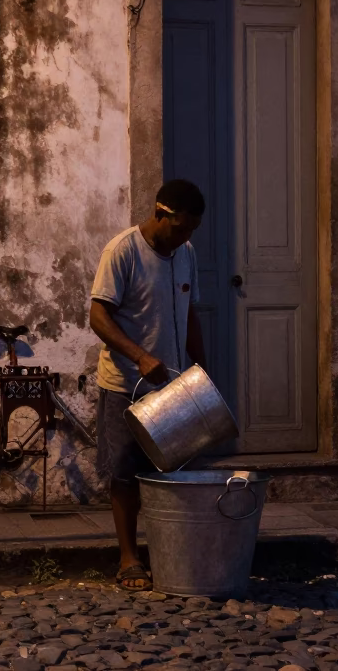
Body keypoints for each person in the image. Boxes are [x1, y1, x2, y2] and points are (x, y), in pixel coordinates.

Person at [89, 179, 208, 591]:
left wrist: (201, 369)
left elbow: (190, 312)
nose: (185, 236)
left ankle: (167, 551)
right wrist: (139, 356)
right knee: (124, 474)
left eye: (192, 230)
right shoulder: (122, 251)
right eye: (179, 228)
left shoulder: (185, 253)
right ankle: (127, 557)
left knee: (170, 472)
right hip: (125, 384)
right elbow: (98, 317)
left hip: (170, 386)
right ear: (159, 213)